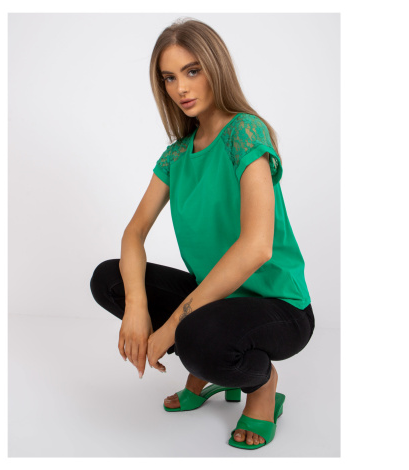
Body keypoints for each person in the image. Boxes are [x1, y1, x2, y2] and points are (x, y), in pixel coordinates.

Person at [90, 17, 315, 450]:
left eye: (192, 71)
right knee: (109, 278)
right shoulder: (176, 156)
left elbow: (256, 247)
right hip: (214, 300)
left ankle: (263, 387)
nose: (181, 88)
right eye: (169, 77)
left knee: (195, 337)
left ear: (216, 68)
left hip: (279, 308)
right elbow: (134, 233)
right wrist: (136, 306)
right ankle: (205, 359)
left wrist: (169, 328)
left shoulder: (245, 132)